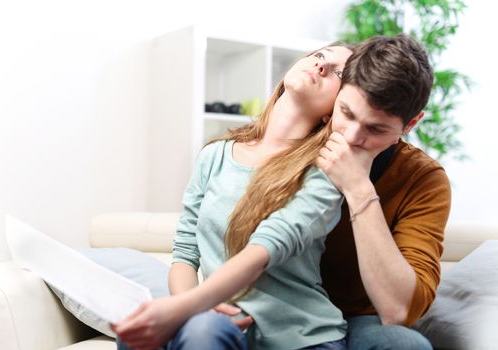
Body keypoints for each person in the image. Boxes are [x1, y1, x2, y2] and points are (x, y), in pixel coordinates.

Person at [112, 43, 354, 350]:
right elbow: (185, 253)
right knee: (133, 334)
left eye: (337, 73)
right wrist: (194, 308)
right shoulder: (214, 155)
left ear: (336, 109)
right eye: (320, 56)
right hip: (219, 326)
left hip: (298, 338)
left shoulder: (324, 169)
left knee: (203, 333)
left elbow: (269, 244)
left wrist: (191, 309)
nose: (321, 66)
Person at [315, 35, 450, 350]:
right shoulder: (301, 134)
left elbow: (399, 309)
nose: (350, 138)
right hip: (287, 306)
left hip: (361, 319)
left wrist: (358, 187)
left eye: (376, 129)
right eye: (346, 113)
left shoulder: (423, 179)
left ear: (411, 124)